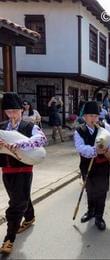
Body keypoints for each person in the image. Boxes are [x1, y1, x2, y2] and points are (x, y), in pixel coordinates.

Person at [0, 93, 47, 255]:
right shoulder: (1, 127)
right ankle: (30, 217)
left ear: (22, 110)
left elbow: (42, 140)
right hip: (6, 170)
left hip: (24, 169)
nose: (12, 115)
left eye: (15, 111)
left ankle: (9, 238)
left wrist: (19, 143)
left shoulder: (29, 126)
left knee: (16, 203)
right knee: (20, 197)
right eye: (8, 112)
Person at [74, 101, 110, 231]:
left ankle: (99, 216)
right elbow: (80, 147)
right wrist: (95, 151)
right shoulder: (79, 131)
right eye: (90, 115)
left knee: (101, 191)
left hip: (102, 166)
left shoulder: (103, 126)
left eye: (95, 115)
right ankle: (91, 211)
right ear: (84, 117)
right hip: (86, 165)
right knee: (89, 189)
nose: (93, 118)